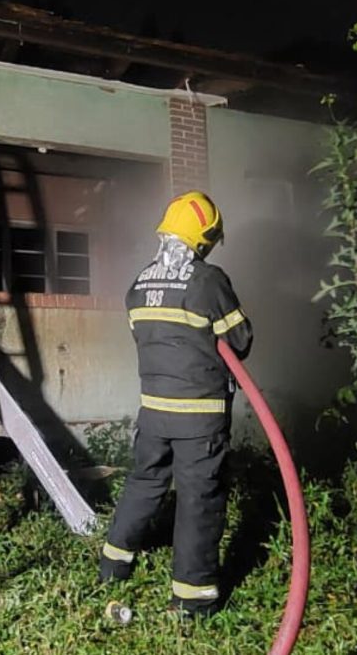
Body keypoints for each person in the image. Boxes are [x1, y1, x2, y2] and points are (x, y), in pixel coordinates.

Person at [99, 190, 253, 617]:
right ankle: (192, 597)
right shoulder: (209, 281)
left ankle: (114, 563)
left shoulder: (138, 284)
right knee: (198, 499)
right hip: (199, 418)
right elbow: (241, 339)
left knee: (145, 482)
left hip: (153, 413)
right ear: (202, 241)